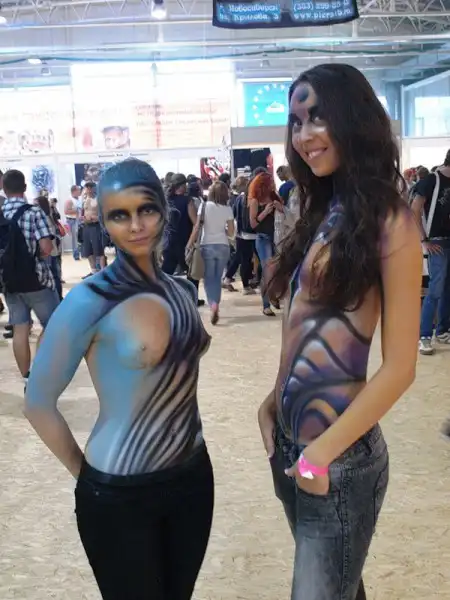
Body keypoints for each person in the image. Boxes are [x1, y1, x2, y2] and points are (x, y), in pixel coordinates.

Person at [257, 64, 421, 600]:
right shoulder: (323, 209)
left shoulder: (391, 220)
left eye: (318, 117)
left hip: (339, 457)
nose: (304, 135)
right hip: (293, 446)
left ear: (354, 119)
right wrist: (271, 403)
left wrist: (321, 452)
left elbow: (400, 368)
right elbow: (303, 322)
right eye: (296, 122)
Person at [24, 158, 214, 600]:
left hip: (192, 479)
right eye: (119, 215)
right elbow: (38, 402)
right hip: (119, 491)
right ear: (103, 221)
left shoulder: (182, 291)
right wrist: (86, 478)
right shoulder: (90, 300)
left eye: (145, 209)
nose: (135, 226)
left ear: (164, 208)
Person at [1, 169, 59, 387]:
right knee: (53, 324)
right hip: (37, 280)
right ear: (25, 188)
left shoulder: (0, 212)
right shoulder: (34, 212)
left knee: (20, 328)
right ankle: (39, 372)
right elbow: (47, 247)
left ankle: (27, 378)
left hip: (9, 281)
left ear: (4, 189)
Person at [411, 152, 450, 355]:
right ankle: (424, 336)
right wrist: (423, 240)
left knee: (447, 288)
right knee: (435, 288)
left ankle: (442, 331)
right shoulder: (431, 180)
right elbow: (414, 209)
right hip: (436, 241)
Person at [187, 181, 234, 325]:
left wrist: (189, 243)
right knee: (217, 278)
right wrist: (222, 230)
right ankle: (215, 304)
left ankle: (213, 305)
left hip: (206, 245)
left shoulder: (204, 206)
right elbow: (231, 233)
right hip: (223, 246)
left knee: (208, 279)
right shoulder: (227, 209)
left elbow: (197, 227)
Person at [162, 173, 205, 306]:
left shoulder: (165, 201)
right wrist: (191, 242)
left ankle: (163, 299)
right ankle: (192, 299)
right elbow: (195, 224)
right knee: (192, 273)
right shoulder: (188, 201)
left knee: (166, 273)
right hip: (184, 242)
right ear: (182, 185)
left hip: (169, 242)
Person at [247, 171, 283, 316]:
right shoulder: (255, 201)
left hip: (278, 237)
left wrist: (280, 208)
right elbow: (253, 224)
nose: (273, 184)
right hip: (263, 239)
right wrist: (266, 212)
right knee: (267, 271)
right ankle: (266, 304)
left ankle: (274, 295)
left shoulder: (275, 197)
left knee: (278, 270)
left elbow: (286, 214)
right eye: (271, 182)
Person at [36, 195, 63, 301]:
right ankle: (58, 297)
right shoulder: (50, 216)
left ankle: (55, 298)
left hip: (47, 251)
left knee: (51, 276)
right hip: (54, 250)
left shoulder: (43, 218)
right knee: (56, 275)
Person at [81, 181, 106, 276]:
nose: (89, 190)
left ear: (94, 188)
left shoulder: (99, 199)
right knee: (88, 249)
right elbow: (83, 212)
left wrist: (97, 218)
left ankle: (103, 271)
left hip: (96, 226)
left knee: (98, 249)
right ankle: (93, 271)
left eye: (90, 188)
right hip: (86, 226)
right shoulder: (84, 199)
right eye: (87, 188)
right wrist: (82, 218)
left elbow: (104, 213)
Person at [64, 185, 81, 260]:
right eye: (78, 190)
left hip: (78, 220)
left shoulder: (79, 199)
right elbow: (66, 211)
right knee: (75, 239)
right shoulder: (69, 200)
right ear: (74, 191)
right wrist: (77, 211)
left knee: (79, 237)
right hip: (72, 220)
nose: (80, 191)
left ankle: (81, 252)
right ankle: (76, 254)